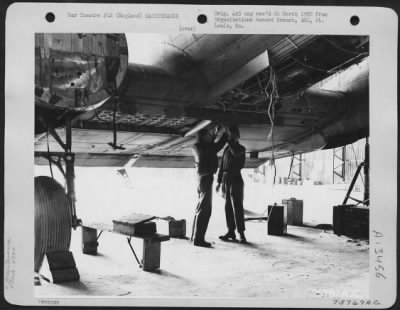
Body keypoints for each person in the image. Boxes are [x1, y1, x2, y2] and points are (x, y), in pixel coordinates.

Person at [191, 125, 228, 247]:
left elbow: (211, 143)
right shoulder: (205, 148)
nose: (210, 135)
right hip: (205, 178)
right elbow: (218, 145)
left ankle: (195, 237)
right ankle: (198, 239)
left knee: (200, 208)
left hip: (202, 178)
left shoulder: (199, 146)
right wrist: (225, 134)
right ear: (203, 137)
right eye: (208, 134)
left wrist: (216, 134)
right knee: (205, 210)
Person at [216, 125, 247, 243]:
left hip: (236, 178)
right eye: (230, 135)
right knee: (227, 206)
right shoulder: (226, 149)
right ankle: (231, 231)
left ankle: (241, 233)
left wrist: (229, 141)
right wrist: (219, 182)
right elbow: (221, 166)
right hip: (225, 178)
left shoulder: (241, 148)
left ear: (237, 136)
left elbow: (236, 153)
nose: (230, 137)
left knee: (237, 206)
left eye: (232, 135)